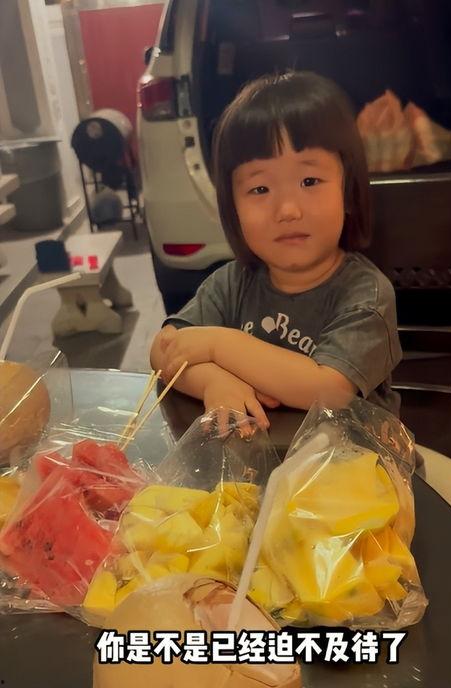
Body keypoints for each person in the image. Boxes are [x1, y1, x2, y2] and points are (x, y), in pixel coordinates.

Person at [150, 71, 402, 430]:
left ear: (347, 192)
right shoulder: (232, 283)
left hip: (354, 458)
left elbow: (329, 391)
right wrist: (213, 381)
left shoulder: (366, 294)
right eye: (260, 189)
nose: (287, 210)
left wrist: (220, 346)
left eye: (309, 181)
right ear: (233, 207)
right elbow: (164, 350)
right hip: (258, 457)